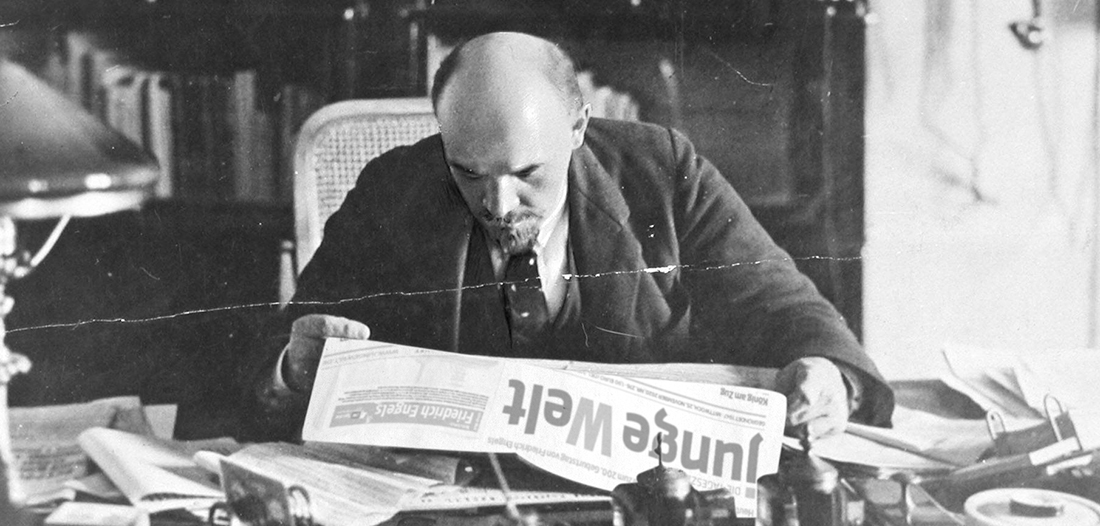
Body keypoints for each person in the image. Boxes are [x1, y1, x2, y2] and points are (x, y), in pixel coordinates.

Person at [243, 32, 893, 443]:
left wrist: (831, 376)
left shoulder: (662, 171)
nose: (498, 205)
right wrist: (293, 368)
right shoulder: (395, 188)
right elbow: (281, 354)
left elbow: (785, 307)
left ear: (578, 127)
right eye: (468, 172)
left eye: (527, 173)